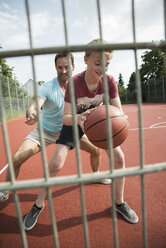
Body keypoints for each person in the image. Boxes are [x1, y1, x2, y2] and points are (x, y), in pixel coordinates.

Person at [23, 39, 138, 231]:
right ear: (86, 59)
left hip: (98, 122)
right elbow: (66, 117)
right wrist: (78, 119)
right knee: (56, 163)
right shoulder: (75, 83)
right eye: (97, 63)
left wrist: (121, 120)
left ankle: (119, 203)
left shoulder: (109, 81)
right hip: (74, 122)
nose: (102, 68)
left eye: (107, 64)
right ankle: (38, 204)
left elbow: (118, 111)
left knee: (119, 157)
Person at [0, 53, 111, 203]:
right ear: (55, 68)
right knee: (17, 158)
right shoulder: (46, 87)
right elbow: (34, 105)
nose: (63, 71)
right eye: (60, 67)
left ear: (73, 67)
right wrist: (32, 113)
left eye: (66, 67)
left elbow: (95, 103)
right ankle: (6, 190)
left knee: (96, 149)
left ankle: (95, 174)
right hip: (44, 132)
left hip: (69, 130)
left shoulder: (81, 86)